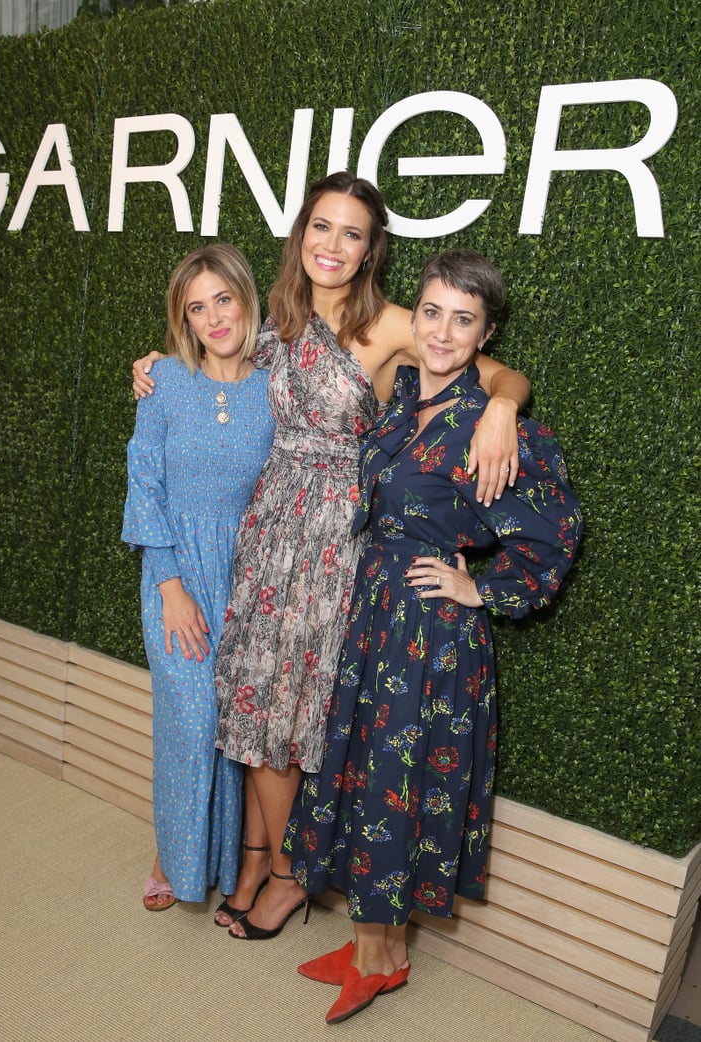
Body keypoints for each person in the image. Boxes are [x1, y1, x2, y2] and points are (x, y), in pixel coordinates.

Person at [131, 172, 532, 938]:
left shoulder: (388, 325)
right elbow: (205, 351)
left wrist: (504, 407)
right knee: (248, 709)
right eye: (322, 226)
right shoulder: (270, 317)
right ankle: (252, 860)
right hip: (264, 525)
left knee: (283, 719)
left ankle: (286, 874)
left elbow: (494, 366)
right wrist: (152, 365)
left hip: (326, 538)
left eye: (352, 233)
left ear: (372, 247)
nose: (333, 245)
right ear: (302, 232)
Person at [285, 249, 583, 1023]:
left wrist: (477, 586)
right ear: (413, 317)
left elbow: (555, 534)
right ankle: (370, 946)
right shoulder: (405, 389)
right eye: (432, 312)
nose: (444, 332)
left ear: (485, 334)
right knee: (360, 777)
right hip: (370, 615)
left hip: (430, 636)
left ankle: (384, 961)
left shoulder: (489, 426)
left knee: (398, 784)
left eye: (464, 319)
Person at [121, 244, 275, 911]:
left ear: (244, 298)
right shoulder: (163, 384)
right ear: (181, 320)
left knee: (234, 730)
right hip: (176, 572)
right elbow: (145, 485)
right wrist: (170, 587)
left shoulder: (277, 384)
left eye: (223, 299)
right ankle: (173, 852)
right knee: (192, 717)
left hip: (249, 579)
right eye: (196, 307)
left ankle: (217, 858)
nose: (214, 317)